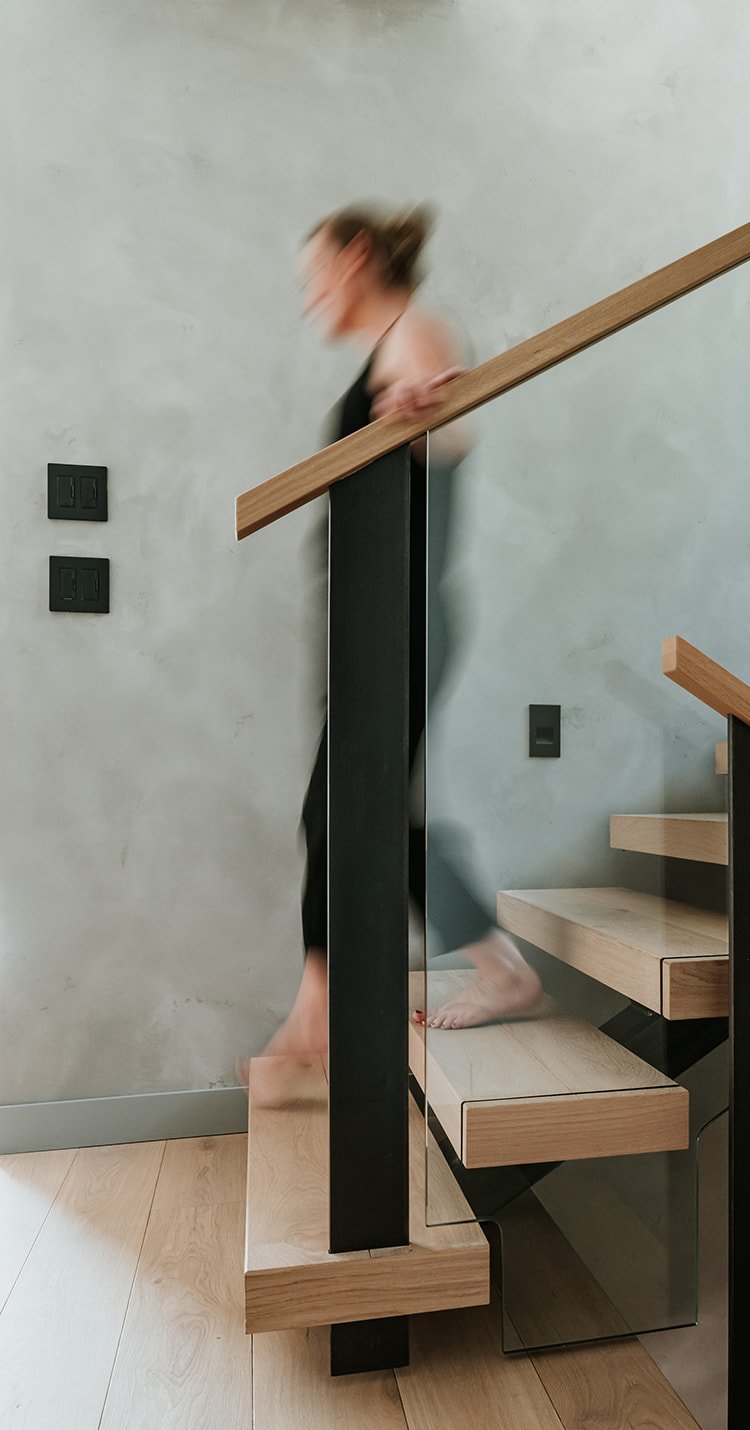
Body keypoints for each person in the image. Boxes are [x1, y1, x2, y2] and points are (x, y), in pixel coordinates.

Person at [264, 203, 542, 1055]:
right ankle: (484, 970)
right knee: (365, 811)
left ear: (354, 258)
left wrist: (428, 418)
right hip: (372, 625)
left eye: (314, 276)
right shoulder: (387, 346)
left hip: (399, 622)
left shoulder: (414, 333)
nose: (310, 297)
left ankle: (318, 1013)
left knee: (342, 810)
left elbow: (453, 432)